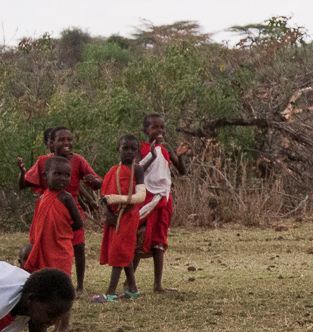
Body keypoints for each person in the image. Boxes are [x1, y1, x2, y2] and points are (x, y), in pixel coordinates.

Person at [17, 125, 102, 291]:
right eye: (61, 139)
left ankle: (79, 286)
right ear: (51, 143)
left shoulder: (78, 161)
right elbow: (25, 183)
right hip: (46, 209)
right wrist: (22, 172)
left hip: (70, 211)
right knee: (41, 248)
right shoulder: (43, 162)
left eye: (69, 139)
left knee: (78, 247)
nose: (67, 142)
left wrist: (95, 183)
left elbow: (93, 182)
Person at [23, 157, 83, 332]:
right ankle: (50, 321)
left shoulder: (66, 198)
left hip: (62, 247)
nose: (63, 178)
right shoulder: (42, 196)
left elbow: (78, 223)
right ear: (45, 175)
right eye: (58, 174)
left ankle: (63, 326)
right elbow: (38, 222)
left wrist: (62, 231)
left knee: (63, 286)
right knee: (48, 285)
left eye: (67, 175)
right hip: (45, 247)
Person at [134, 114, 189, 294]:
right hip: (145, 197)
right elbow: (137, 169)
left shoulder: (165, 149)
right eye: (154, 128)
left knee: (159, 239)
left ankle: (158, 284)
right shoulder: (140, 148)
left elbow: (181, 171)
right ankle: (130, 283)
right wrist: (151, 153)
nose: (159, 131)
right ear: (145, 131)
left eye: (161, 128)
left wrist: (179, 156)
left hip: (164, 198)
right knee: (139, 237)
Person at [93, 134, 145, 302]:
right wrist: (107, 213)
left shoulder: (138, 169)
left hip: (129, 215)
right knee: (124, 251)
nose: (129, 152)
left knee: (119, 251)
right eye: (125, 148)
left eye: (133, 149)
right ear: (118, 150)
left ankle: (110, 292)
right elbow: (104, 197)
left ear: (137, 152)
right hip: (114, 216)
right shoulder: (113, 171)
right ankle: (133, 290)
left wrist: (121, 202)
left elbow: (140, 195)